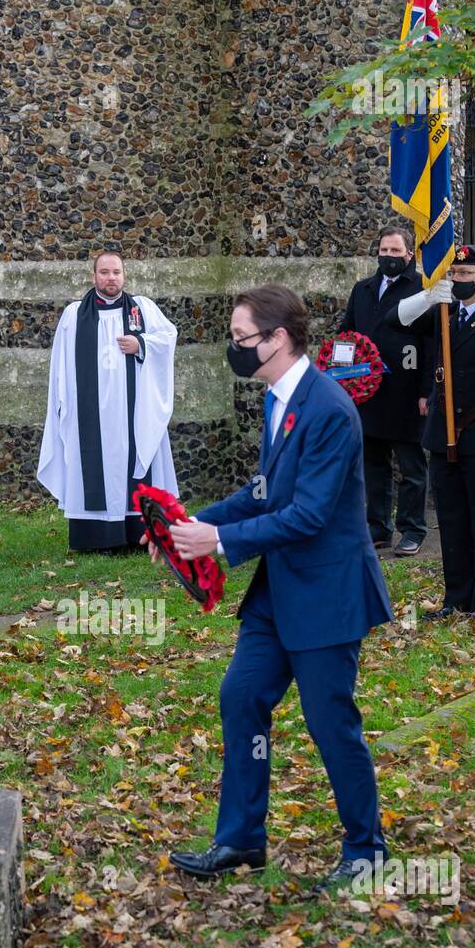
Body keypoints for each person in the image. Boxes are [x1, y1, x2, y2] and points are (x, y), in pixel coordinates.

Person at [155, 285, 393, 898]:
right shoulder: (277, 400)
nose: (235, 350)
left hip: (327, 595)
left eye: (241, 340)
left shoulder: (330, 411)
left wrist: (222, 543)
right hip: (277, 593)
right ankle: (241, 839)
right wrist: (186, 526)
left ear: (277, 339)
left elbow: (308, 516)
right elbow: (264, 494)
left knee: (330, 722)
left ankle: (366, 850)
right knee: (241, 698)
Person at [391, 245, 475, 623]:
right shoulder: (443, 314)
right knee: (451, 520)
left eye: (464, 275)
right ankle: (456, 598)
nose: (457, 281)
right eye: (453, 275)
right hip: (443, 435)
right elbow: (396, 320)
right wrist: (426, 295)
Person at [37, 250, 178, 552]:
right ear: (94, 276)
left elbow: (168, 337)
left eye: (116, 272)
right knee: (90, 465)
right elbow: (60, 366)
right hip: (88, 414)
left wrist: (141, 344)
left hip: (134, 411)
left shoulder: (143, 309)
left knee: (134, 462)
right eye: (104, 272)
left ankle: (137, 536)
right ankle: (95, 538)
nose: (111, 278)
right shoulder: (74, 315)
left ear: (124, 275)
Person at [340, 224, 431, 556]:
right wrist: (343, 376)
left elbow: (432, 341)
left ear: (410, 254)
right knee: (373, 466)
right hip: (367, 394)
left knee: (411, 468)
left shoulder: (424, 288)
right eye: (384, 250)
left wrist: (427, 391)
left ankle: (412, 529)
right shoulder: (362, 289)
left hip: (407, 393)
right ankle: (378, 528)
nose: (389, 257)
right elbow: (346, 335)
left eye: (396, 251)